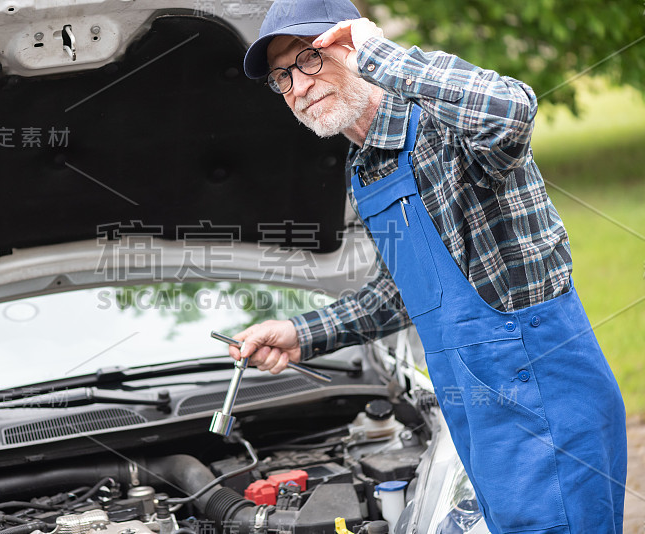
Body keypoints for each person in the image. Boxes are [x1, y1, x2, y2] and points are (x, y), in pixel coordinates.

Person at [228, 0, 628, 532]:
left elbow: (512, 108)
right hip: (478, 423)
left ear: (351, 46)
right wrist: (301, 333)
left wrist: (379, 52)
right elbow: (403, 291)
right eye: (282, 76)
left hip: (547, 408)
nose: (297, 87)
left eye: (309, 59)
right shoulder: (365, 168)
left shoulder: (447, 123)